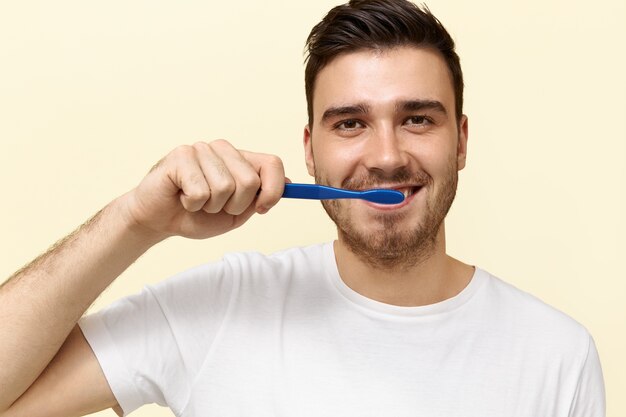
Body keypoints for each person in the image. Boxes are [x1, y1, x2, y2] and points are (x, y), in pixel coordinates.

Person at [0, 1, 605, 416]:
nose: (387, 156)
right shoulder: (217, 308)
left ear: (463, 141)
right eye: (351, 124)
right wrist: (135, 220)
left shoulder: (556, 354)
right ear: (310, 151)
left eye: (417, 119)